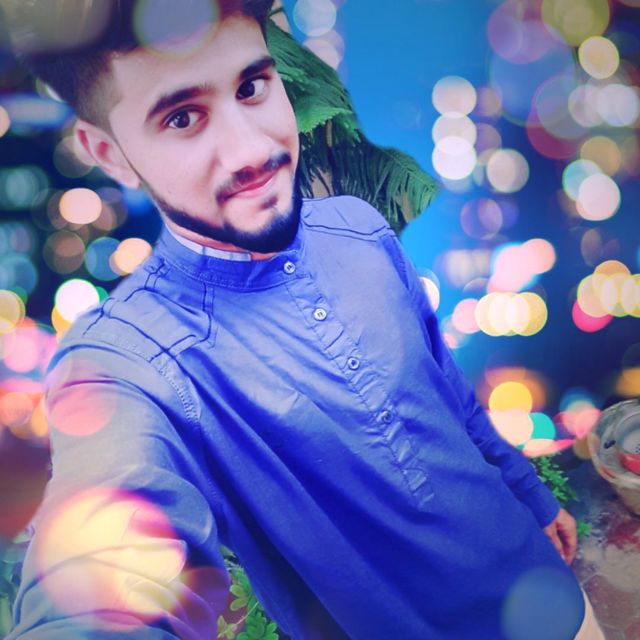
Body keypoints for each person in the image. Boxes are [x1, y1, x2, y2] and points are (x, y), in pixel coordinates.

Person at [4, 1, 603, 638]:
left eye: (252, 87)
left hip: (553, 596)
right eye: (182, 117)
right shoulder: (126, 361)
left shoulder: (360, 228)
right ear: (110, 153)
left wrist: (531, 496)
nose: (252, 149)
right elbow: (104, 569)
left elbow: (448, 396)